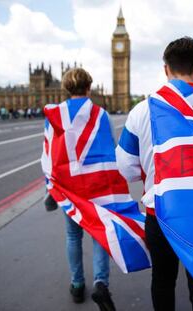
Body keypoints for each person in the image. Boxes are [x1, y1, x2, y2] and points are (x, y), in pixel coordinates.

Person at [116, 37, 193, 311]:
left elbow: (125, 167)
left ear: (165, 69)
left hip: (160, 213)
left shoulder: (142, 110)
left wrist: (150, 170)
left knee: (163, 280)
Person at [45, 68, 116, 310]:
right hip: (96, 187)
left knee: (73, 235)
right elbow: (110, 152)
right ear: (88, 88)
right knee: (98, 234)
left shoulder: (55, 114)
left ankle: (77, 285)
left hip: (69, 188)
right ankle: (101, 283)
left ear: (66, 89)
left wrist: (50, 188)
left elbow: (49, 155)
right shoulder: (101, 114)